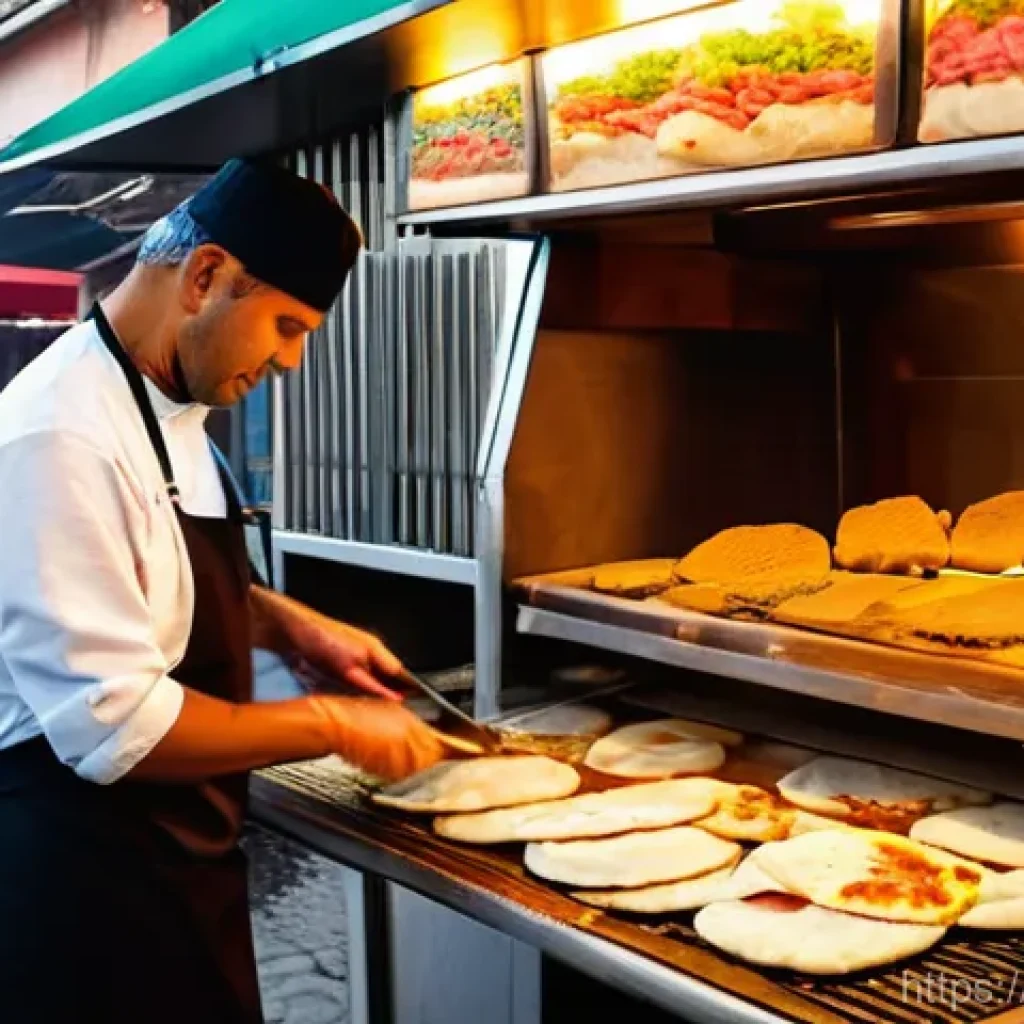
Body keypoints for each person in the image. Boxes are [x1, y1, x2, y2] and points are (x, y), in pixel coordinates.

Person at [0, 158, 443, 1024]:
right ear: (205, 277)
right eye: (285, 324)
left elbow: (164, 578)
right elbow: (117, 730)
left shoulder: (169, 405)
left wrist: (293, 627)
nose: (291, 360)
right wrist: (333, 725)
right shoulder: (58, 436)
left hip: (176, 867)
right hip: (82, 901)